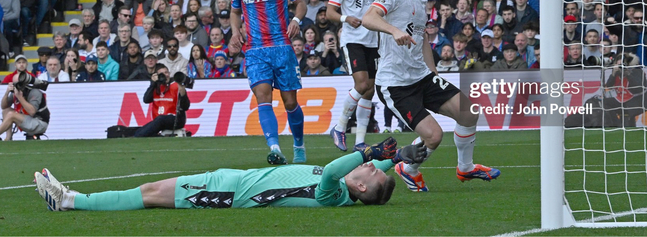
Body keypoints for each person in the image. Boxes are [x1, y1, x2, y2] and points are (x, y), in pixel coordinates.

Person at [361, 0, 500, 191]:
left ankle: (466, 169)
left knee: (469, 112)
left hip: (422, 76)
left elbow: (422, 36)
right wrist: (393, 30)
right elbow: (368, 17)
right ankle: (408, 167)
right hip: (396, 83)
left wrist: (433, 72)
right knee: (434, 136)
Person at [35, 139, 428, 211]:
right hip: (233, 181)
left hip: (228, 192)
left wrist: (367, 151)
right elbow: (373, 172)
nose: (365, 166)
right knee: (151, 190)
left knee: (150, 192)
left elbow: (332, 168)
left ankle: (69, 201)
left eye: (365, 170)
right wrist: (404, 158)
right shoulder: (354, 186)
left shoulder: (333, 191)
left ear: (359, 186)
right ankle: (70, 200)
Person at [230, 0, 308, 165]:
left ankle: (299, 144)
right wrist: (236, 31)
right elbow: (235, 12)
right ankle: (275, 148)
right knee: (263, 97)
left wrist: (296, 19)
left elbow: (300, 2)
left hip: (282, 48)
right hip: (254, 50)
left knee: (290, 102)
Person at [327, 0, 383, 152]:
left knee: (369, 91)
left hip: (373, 40)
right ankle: (340, 127)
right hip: (353, 40)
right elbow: (330, 12)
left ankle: (360, 141)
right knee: (361, 85)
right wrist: (345, 18)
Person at [133, 64, 190, 138]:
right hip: (159, 121)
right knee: (141, 130)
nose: (165, 75)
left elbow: (186, 106)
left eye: (166, 72)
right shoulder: (156, 87)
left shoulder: (176, 85)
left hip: (175, 118)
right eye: (162, 74)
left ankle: (138, 136)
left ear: (169, 74)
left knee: (160, 119)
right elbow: (146, 100)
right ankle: (139, 135)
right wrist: (153, 83)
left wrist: (183, 93)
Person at [0, 72, 50, 141]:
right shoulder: (16, 91)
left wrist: (20, 97)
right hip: (29, 119)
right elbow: (3, 106)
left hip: (39, 122)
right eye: (14, 84)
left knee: (11, 115)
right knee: (6, 111)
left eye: (18, 84)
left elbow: (32, 112)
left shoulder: (34, 92)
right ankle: (8, 138)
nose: (17, 86)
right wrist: (7, 93)